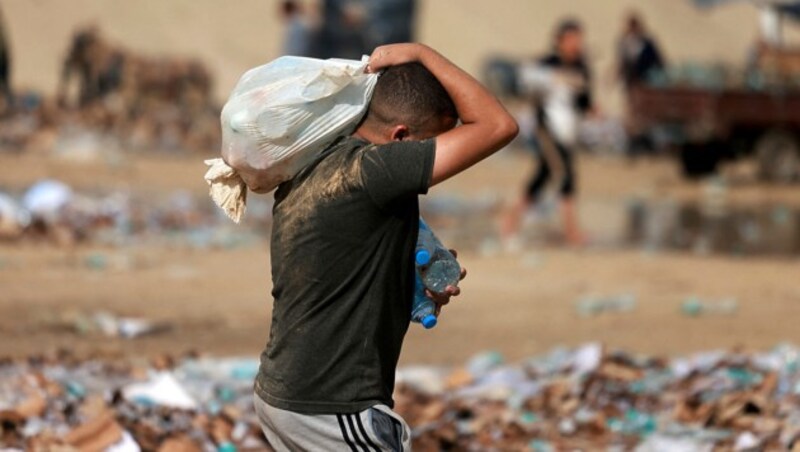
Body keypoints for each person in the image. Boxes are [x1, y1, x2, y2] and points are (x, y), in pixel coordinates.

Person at [244, 43, 517, 451]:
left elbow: (340, 264)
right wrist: (423, 54)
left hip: (285, 392)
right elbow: (498, 125)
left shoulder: (322, 163)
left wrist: (408, 278)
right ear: (401, 136)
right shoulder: (376, 170)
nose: (432, 156)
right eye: (431, 144)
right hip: (332, 405)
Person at [502, 19, 592, 247]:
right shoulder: (546, 65)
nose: (576, 45)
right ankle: (572, 233)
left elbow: (585, 102)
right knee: (566, 177)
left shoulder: (582, 67)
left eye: (579, 40)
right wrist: (554, 78)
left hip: (568, 133)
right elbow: (525, 81)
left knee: (541, 178)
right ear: (559, 41)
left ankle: (510, 222)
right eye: (572, 40)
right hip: (548, 132)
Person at [617, 12, 664, 90]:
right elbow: (622, 61)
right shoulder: (624, 42)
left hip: (647, 78)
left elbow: (658, 60)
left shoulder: (647, 42)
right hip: (631, 79)